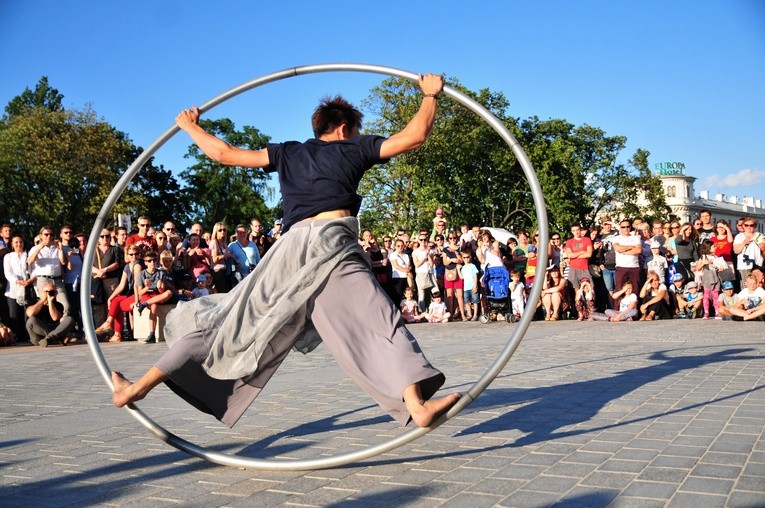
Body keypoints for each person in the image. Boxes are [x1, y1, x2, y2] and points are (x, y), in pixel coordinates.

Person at [112, 74, 460, 429]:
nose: (356, 137)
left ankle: (136, 388)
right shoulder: (351, 147)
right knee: (376, 319)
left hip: (289, 252)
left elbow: (223, 154)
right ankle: (416, 406)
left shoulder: (288, 151)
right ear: (343, 129)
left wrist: (190, 127)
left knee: (229, 323)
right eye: (355, 131)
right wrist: (430, 96)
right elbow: (414, 136)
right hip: (330, 244)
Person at [95, 245, 143, 343]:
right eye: (131, 254)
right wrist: (110, 298)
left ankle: (115, 331)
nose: (134, 256)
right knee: (115, 300)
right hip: (132, 294)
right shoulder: (127, 266)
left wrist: (137, 301)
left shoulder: (138, 265)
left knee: (116, 304)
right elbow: (121, 285)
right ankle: (114, 330)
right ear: (127, 255)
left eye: (136, 254)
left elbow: (137, 285)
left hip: (140, 294)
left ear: (139, 255)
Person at [27, 226, 70, 315]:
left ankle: (64, 325)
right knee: (45, 304)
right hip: (44, 279)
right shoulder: (35, 248)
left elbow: (63, 262)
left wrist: (61, 249)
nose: (49, 237)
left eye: (51, 235)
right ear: (41, 236)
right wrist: (40, 247)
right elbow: (30, 261)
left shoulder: (57, 248)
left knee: (66, 305)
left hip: (57, 280)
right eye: (46, 234)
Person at [25, 282, 75, 347]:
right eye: (46, 291)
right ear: (41, 292)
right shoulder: (34, 302)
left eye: (52, 292)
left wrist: (50, 302)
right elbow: (30, 314)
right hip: (39, 336)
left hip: (53, 329)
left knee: (69, 319)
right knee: (31, 320)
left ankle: (49, 339)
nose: (49, 294)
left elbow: (55, 318)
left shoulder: (58, 305)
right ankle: (57, 339)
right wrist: (42, 300)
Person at [3, 235, 33, 341]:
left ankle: (27, 335)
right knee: (14, 314)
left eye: (20, 242)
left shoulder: (28, 255)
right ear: (12, 244)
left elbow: (32, 269)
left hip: (27, 287)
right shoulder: (8, 257)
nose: (18, 244)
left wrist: (29, 281)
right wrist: (18, 281)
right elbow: (8, 273)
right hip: (13, 289)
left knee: (26, 313)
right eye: (16, 242)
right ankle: (16, 336)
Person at [732, 217, 765, 283]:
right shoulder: (739, 236)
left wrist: (753, 243)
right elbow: (736, 251)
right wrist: (744, 242)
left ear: (755, 226)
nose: (748, 227)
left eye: (751, 225)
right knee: (745, 285)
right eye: (746, 225)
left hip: (757, 264)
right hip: (744, 265)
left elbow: (762, 247)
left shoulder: (759, 235)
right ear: (743, 226)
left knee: (758, 283)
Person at [564, 223, 593, 290]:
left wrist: (575, 255)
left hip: (584, 268)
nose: (576, 232)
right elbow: (570, 255)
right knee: (576, 290)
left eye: (577, 230)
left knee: (588, 289)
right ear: (571, 232)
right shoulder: (569, 242)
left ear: (580, 230)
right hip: (573, 268)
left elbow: (589, 254)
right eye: (574, 230)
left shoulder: (587, 240)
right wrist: (582, 252)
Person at [460, 250, 480, 321]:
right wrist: (458, 269)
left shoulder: (472, 266)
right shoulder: (463, 267)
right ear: (462, 258)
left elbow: (475, 275)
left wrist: (475, 285)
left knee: (475, 301)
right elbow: (461, 277)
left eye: (467, 257)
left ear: (470, 257)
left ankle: (475, 315)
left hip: (472, 286)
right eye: (464, 257)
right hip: (466, 287)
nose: (466, 259)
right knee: (466, 301)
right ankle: (469, 314)